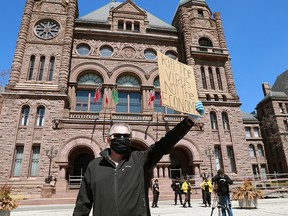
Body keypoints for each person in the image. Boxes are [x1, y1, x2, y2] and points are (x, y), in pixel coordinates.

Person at [72, 101, 204, 216]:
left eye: (126, 136)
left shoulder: (139, 160)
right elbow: (82, 205)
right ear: (108, 140)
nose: (122, 139)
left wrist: (189, 120)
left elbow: (165, 143)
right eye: (118, 136)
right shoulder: (94, 166)